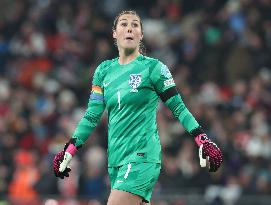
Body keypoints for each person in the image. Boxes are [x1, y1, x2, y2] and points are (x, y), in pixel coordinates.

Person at [53, 10, 223, 205]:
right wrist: (69, 148)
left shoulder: (154, 68)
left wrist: (202, 139)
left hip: (141, 157)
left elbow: (179, 108)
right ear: (114, 33)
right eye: (124, 24)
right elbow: (92, 116)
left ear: (141, 35)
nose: (129, 28)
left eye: (135, 25)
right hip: (116, 161)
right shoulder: (103, 72)